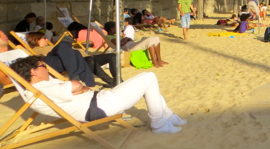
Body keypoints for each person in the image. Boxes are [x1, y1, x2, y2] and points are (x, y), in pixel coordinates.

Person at [11, 55, 185, 134]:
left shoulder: (45, 85)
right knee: (149, 78)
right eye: (43, 66)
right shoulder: (43, 88)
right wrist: (79, 88)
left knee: (147, 80)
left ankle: (168, 115)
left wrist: (80, 88)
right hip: (101, 106)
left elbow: (81, 88)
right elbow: (77, 84)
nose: (47, 68)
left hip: (101, 99)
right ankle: (159, 123)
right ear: (33, 72)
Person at [26, 32, 116, 87]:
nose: (46, 39)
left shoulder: (49, 46)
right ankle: (76, 76)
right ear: (37, 40)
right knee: (63, 44)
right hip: (59, 61)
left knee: (111, 56)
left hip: (80, 59)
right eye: (43, 38)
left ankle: (116, 81)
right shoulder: (36, 50)